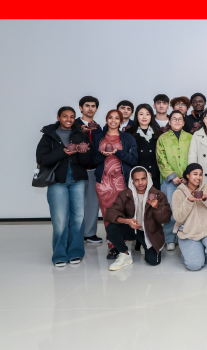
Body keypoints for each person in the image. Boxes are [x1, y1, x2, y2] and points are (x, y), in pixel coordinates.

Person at [36, 106, 92, 266]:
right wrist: (63, 152)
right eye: (65, 116)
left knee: (78, 218)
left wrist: (83, 152)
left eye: (72, 116)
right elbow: (42, 159)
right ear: (58, 117)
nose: (69, 119)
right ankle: (59, 254)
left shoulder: (80, 134)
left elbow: (86, 161)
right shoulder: (49, 135)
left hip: (77, 181)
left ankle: (76, 252)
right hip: (57, 182)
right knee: (60, 219)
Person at [104, 167, 171, 270]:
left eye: (143, 179)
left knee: (153, 262)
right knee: (111, 228)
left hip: (150, 232)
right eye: (136, 180)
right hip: (132, 228)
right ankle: (125, 254)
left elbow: (165, 218)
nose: (140, 183)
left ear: (148, 179)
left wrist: (157, 207)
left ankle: (143, 244)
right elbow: (110, 213)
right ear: (132, 181)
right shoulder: (125, 194)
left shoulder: (158, 195)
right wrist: (127, 221)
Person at [92, 110, 138, 260]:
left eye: (116, 118)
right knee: (107, 215)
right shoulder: (98, 137)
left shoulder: (128, 138)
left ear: (121, 120)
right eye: (110, 118)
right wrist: (102, 155)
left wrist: (117, 152)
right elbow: (92, 160)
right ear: (106, 119)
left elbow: (133, 160)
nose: (113, 120)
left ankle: (121, 245)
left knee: (121, 214)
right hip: (103, 183)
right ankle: (112, 247)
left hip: (121, 182)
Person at [173, 163, 207, 271]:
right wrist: (188, 201)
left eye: (201, 174)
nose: (198, 177)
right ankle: (191, 255)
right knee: (194, 266)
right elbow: (178, 217)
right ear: (187, 175)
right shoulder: (178, 193)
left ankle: (202, 256)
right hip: (188, 233)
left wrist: (206, 199)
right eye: (195, 174)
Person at [156, 109, 192, 252]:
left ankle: (185, 236)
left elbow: (193, 157)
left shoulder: (190, 137)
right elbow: (161, 159)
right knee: (170, 209)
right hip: (170, 181)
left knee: (187, 208)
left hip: (188, 180)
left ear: (183, 122)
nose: (177, 121)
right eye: (174, 119)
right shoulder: (163, 138)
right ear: (169, 122)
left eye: (180, 119)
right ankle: (170, 238)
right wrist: (172, 176)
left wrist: (187, 176)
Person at [73, 96, 103, 245]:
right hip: (77, 170)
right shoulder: (73, 125)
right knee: (76, 203)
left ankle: (89, 233)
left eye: (93, 106)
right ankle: (75, 233)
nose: (90, 108)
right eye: (87, 105)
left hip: (93, 170)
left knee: (92, 203)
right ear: (81, 108)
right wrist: (80, 131)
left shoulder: (98, 128)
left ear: (96, 109)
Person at [127, 104, 162, 190]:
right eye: (141, 114)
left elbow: (161, 156)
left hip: (155, 175)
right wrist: (143, 173)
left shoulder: (159, 134)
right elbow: (129, 157)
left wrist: (152, 172)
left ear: (151, 116)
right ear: (136, 116)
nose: (144, 117)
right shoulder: (129, 133)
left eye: (147, 114)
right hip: (137, 177)